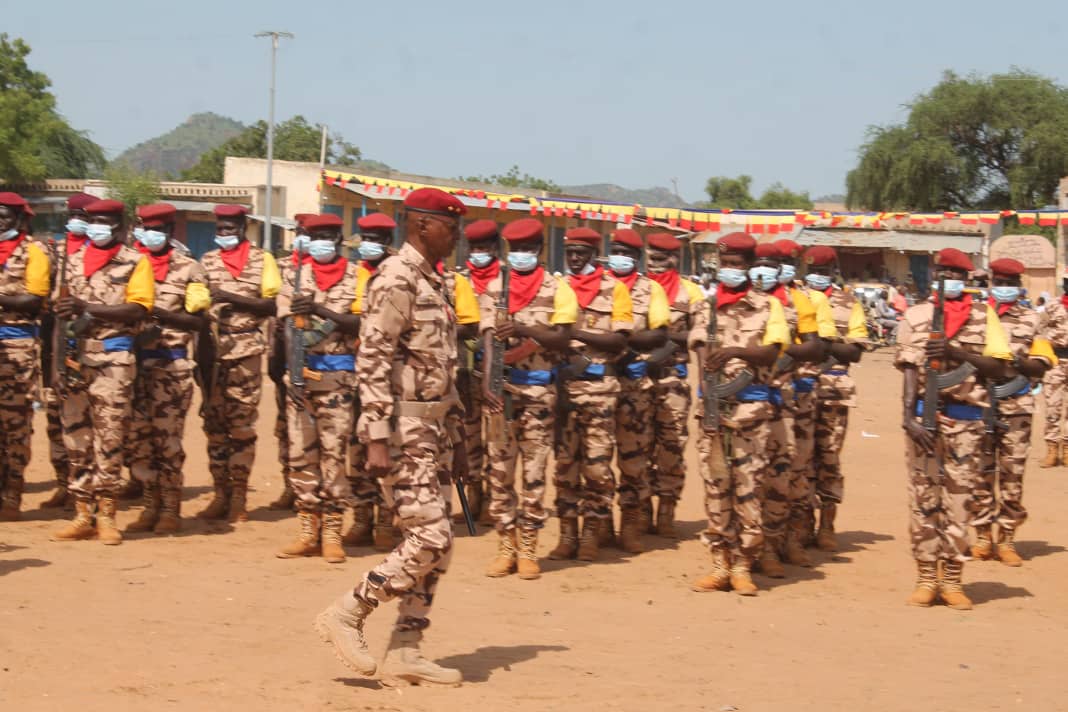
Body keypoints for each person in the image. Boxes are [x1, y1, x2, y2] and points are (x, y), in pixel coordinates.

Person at [316, 187, 468, 686]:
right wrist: (376, 435)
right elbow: (373, 358)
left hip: (433, 427)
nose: (458, 234)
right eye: (451, 225)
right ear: (424, 225)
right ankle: (347, 612)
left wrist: (460, 435)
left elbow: (443, 365)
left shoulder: (435, 282)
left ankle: (407, 647)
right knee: (430, 535)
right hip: (402, 430)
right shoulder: (396, 278)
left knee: (438, 547)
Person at [896, 248, 1013, 609]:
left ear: (967, 279)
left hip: (966, 421)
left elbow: (999, 370)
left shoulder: (984, 316)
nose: (949, 279)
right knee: (924, 501)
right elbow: (909, 370)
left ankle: (952, 579)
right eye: (943, 272)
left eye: (956, 274)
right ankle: (926, 576)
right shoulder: (915, 316)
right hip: (925, 422)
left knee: (960, 501)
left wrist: (957, 353)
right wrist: (908, 417)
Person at [690, 232, 790, 595]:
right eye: (725, 264)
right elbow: (701, 354)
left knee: (749, 489)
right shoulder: (706, 307)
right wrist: (710, 395)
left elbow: (771, 353)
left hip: (752, 413)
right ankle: (720, 565)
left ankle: (744, 565)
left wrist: (734, 352)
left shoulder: (769, 307)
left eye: (736, 265)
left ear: (749, 268)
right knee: (717, 487)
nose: (729, 271)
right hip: (715, 407)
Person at [51, 199, 154, 544]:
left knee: (110, 438)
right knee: (76, 438)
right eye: (93, 220)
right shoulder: (73, 259)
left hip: (113, 361)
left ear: (121, 227)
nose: (97, 227)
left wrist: (89, 310)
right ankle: (83, 513)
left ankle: (107, 516)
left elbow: (137, 310)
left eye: (105, 222)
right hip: (74, 361)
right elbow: (59, 316)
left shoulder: (135, 262)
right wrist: (53, 367)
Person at [480, 217, 577, 579]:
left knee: (534, 474)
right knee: (500, 472)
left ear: (539, 251)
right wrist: (488, 383)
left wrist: (523, 330)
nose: (520, 255)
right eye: (515, 250)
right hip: (501, 395)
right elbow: (487, 338)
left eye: (527, 249)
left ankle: (529, 549)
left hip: (538, 394)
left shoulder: (557, 289)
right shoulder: (495, 287)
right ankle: (506, 547)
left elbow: (564, 339)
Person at [276, 213, 362, 564]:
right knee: (301, 454)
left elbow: (361, 321)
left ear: (339, 240)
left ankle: (332, 531)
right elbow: (284, 325)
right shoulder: (294, 276)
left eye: (327, 235)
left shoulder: (357, 276)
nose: (321, 242)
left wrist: (320, 309)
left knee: (334, 456)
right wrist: (293, 369)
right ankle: (307, 530)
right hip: (301, 379)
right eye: (315, 236)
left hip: (338, 379)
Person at [124, 203, 211, 534]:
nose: (152, 234)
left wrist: (158, 314)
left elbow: (200, 322)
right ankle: (149, 505)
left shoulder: (190, 269)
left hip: (171, 367)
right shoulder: (128, 265)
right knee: (140, 439)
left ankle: (171, 508)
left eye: (159, 229)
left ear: (171, 232)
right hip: (133, 364)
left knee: (168, 440)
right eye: (147, 228)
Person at [548, 227, 633, 562]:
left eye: (582, 252)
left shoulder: (615, 290)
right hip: (564, 388)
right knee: (565, 465)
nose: (575, 258)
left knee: (597, 467)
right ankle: (568, 533)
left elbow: (620, 341)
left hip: (600, 390)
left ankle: (592, 533)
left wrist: (573, 333)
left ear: (595, 254)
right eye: (570, 253)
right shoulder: (558, 288)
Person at [199, 205, 280, 522]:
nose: (224, 234)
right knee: (214, 426)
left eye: (230, 228)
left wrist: (231, 298)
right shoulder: (206, 261)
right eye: (220, 229)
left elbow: (272, 304)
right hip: (213, 353)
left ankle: (240, 497)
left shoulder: (262, 261)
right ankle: (220, 493)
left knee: (241, 426)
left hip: (246, 350)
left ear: (243, 227)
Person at [749, 242, 826, 578]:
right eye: (760, 264)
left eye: (774, 264)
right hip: (744, 401)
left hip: (787, 400)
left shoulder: (799, 301)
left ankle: (779, 544)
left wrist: (786, 353)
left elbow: (817, 346)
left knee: (788, 474)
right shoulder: (734, 301)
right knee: (746, 477)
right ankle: (745, 548)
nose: (766, 270)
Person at [971, 258, 1054, 566]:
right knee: (979, 471)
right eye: (999, 282)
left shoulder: (1034, 319)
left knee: (1012, 473)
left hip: (1016, 404)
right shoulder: (976, 315)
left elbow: (1043, 364)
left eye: (1010, 283)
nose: (1004, 288)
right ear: (991, 282)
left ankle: (1007, 538)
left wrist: (1015, 362)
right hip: (978, 403)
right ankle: (982, 535)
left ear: (1018, 286)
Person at [801, 246, 870, 551]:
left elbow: (855, 351)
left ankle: (827, 524)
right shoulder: (795, 298)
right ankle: (800, 524)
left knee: (828, 458)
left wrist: (819, 347)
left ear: (833, 272)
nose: (817, 277)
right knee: (799, 459)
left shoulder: (848, 302)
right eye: (812, 271)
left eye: (823, 272)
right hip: (799, 390)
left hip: (834, 392)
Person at [605, 229, 669, 553]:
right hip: (596, 386)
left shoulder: (650, 289)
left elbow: (659, 337)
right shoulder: (597, 286)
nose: (620, 257)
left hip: (634, 387)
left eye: (627, 253)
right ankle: (598, 525)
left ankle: (630, 525)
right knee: (595, 458)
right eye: (615, 250)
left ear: (637, 258)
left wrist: (616, 340)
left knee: (633, 460)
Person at [643, 233, 705, 537]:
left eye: (659, 258)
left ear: (673, 260)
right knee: (637, 447)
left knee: (671, 447)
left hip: (673, 378)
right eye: (649, 257)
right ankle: (638, 513)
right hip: (638, 377)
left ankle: (666, 511)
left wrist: (662, 339)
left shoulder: (691, 293)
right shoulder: (637, 288)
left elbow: (701, 334)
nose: (652, 263)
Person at [39, 192, 96, 510]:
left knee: (94, 420)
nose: (77, 221)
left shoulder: (105, 253)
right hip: (55, 342)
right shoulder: (54, 252)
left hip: (92, 345)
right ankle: (65, 482)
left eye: (84, 216)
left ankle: (96, 488)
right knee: (55, 417)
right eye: (73, 215)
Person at [345, 212, 398, 548]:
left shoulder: (396, 276)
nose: (369, 244)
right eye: (365, 238)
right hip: (349, 375)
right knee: (356, 447)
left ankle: (386, 520)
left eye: (376, 238)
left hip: (386, 378)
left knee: (386, 446)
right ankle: (362, 516)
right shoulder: (351, 275)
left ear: (387, 242)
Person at [0, 192, 50, 520]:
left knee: (15, 425)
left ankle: (12, 493)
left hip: (17, 350)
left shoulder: (34, 250)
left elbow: (35, 299)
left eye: (3, 217)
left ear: (18, 220)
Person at [268, 213, 317, 512]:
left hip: (318, 360)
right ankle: (291, 485)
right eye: (300, 231)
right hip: (284, 356)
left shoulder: (330, 270)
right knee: (287, 427)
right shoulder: (284, 267)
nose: (304, 237)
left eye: (309, 232)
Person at [455, 218, 500, 524]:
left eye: (483, 247)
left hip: (498, 373)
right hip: (466, 370)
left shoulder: (506, 282)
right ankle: (475, 497)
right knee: (469, 435)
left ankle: (497, 502)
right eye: (473, 247)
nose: (478, 253)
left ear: (495, 249)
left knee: (496, 439)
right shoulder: (460, 281)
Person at [1039, 276, 1068, 467]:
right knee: (1052, 407)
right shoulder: (1052, 306)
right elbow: (1040, 331)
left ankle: (1066, 449)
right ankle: (1051, 448)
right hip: (1056, 360)